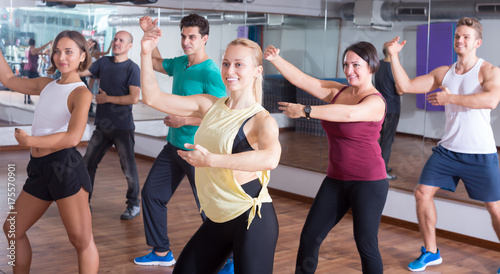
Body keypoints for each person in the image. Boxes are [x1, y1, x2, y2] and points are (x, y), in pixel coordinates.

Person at [141, 25, 281, 273]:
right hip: (219, 218)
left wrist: (211, 160)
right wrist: (144, 54)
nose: (230, 70)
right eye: (226, 63)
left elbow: (270, 159)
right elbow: (153, 98)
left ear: (257, 71)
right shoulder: (209, 105)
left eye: (239, 64)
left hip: (251, 218)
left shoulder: (261, 120)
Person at [386, 17, 500, 272]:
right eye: (457, 36)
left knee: (495, 209)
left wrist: (451, 97)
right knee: (421, 193)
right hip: (448, 151)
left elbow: (491, 100)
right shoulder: (443, 73)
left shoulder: (489, 71)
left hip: (480, 154)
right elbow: (405, 86)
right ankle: (431, 251)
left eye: (466, 37)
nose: (460, 40)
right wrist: (393, 56)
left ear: (477, 43)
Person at [265, 42, 389, 274]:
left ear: (371, 66)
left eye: (355, 65)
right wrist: (275, 60)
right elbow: (303, 80)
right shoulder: (338, 92)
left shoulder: (375, 101)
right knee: (310, 237)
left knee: (366, 244)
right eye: (345, 65)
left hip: (369, 182)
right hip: (336, 181)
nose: (349, 70)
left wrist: (306, 110)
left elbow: (349, 113)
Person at [133, 14, 228, 269]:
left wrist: (184, 121)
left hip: (198, 150)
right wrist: (151, 33)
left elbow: (220, 117)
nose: (186, 41)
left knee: (209, 208)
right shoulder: (180, 64)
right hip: (173, 147)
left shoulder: (211, 74)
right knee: (152, 194)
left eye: (192, 37)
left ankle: (228, 259)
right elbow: (154, 61)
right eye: (184, 36)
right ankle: (161, 252)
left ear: (204, 38)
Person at [1, 30, 99, 273]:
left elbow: (73, 137)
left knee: (81, 240)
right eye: (57, 51)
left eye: (68, 52)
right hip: (39, 167)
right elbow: (9, 79)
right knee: (13, 228)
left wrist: (32, 139)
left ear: (82, 56)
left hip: (64, 167)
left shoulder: (81, 92)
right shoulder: (46, 85)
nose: (61, 57)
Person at [80, 31, 141, 220]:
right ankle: (83, 203)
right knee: (87, 164)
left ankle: (133, 205)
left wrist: (107, 99)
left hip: (123, 127)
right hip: (102, 127)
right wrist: (84, 53)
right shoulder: (103, 62)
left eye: (121, 40)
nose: (116, 43)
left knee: (128, 168)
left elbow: (134, 98)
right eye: (115, 39)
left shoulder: (132, 68)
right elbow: (79, 72)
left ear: (130, 45)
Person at [374, 42, 403, 180]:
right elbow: (400, 90)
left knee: (381, 138)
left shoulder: (378, 65)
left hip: (380, 107)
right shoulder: (393, 68)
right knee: (387, 140)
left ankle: (380, 164)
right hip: (392, 109)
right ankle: (382, 170)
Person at [87, 39, 112, 117]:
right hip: (91, 71)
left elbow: (107, 52)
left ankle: (103, 101)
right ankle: (90, 103)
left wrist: (111, 44)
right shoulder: (89, 52)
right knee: (88, 88)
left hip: (97, 71)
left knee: (100, 87)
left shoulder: (96, 52)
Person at [23, 38, 52, 104]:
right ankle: (43, 99)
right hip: (31, 70)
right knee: (40, 83)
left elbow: (36, 53)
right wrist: (48, 43)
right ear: (34, 43)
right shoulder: (33, 49)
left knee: (28, 85)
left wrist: (44, 54)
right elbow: (40, 48)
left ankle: (27, 99)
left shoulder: (28, 49)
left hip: (27, 69)